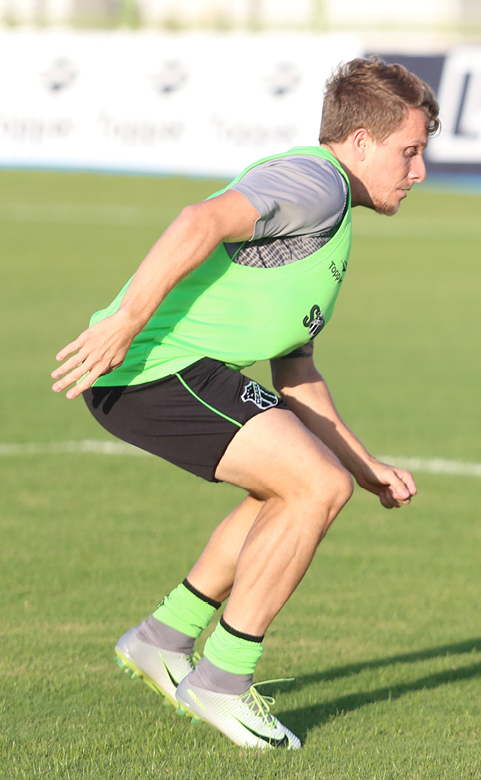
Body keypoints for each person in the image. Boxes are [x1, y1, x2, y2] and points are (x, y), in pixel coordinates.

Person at [50, 57, 440, 749]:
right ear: (359, 144)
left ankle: (161, 639)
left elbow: (296, 369)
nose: (419, 172)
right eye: (409, 152)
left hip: (170, 371)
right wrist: (125, 320)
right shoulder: (316, 181)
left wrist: (363, 464)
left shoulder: (333, 214)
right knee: (311, 487)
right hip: (152, 370)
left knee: (294, 486)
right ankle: (222, 681)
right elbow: (200, 219)